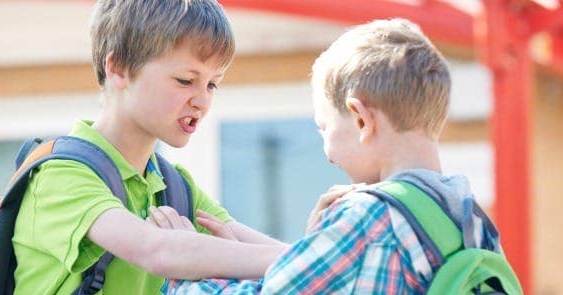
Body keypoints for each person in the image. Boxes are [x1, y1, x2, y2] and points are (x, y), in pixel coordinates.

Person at [165, 18, 506, 294]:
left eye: (324, 128)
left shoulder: (369, 219)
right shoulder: (470, 221)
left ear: (361, 119)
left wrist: (187, 268)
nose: (327, 155)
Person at [11, 0, 287, 294]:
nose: (202, 101)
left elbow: (264, 249)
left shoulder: (174, 188)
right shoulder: (60, 175)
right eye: (186, 80)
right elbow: (157, 251)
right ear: (119, 68)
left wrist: (327, 252)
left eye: (212, 85)